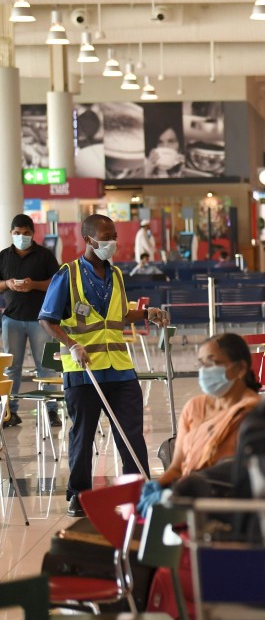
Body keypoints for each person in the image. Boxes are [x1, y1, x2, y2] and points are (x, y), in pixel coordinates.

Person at [38, 214, 171, 517]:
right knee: (83, 435)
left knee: (131, 433)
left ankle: (136, 489)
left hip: (119, 368)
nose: (112, 242)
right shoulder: (67, 275)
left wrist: (148, 313)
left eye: (114, 236)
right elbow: (47, 318)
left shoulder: (117, 275)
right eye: (106, 236)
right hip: (83, 370)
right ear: (88, 239)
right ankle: (79, 494)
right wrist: (72, 344)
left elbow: (121, 315)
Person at [156, 333, 261, 487]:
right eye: (201, 364)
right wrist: (154, 489)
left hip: (227, 499)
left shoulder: (253, 412)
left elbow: (248, 477)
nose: (204, 371)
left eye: (211, 364)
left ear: (240, 368)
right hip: (188, 493)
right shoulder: (194, 407)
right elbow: (177, 469)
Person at [0, 214, 61, 427]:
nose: (22, 237)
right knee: (11, 368)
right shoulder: (3, 256)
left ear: (33, 234)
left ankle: (52, 411)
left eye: (26, 233)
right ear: (11, 233)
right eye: (17, 233)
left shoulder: (44, 255)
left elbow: (57, 282)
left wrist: (33, 285)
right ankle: (9, 411)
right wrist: (7, 283)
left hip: (41, 319)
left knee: (46, 366)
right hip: (12, 319)